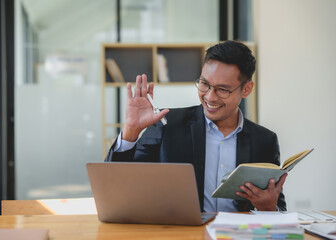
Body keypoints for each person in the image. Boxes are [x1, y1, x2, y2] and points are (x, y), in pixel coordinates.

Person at [105, 40, 287, 212]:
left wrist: (269, 208)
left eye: (222, 89)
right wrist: (131, 130)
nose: (210, 97)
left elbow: (277, 205)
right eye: (204, 84)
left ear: (246, 89)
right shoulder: (166, 124)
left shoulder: (264, 140)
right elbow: (117, 186)